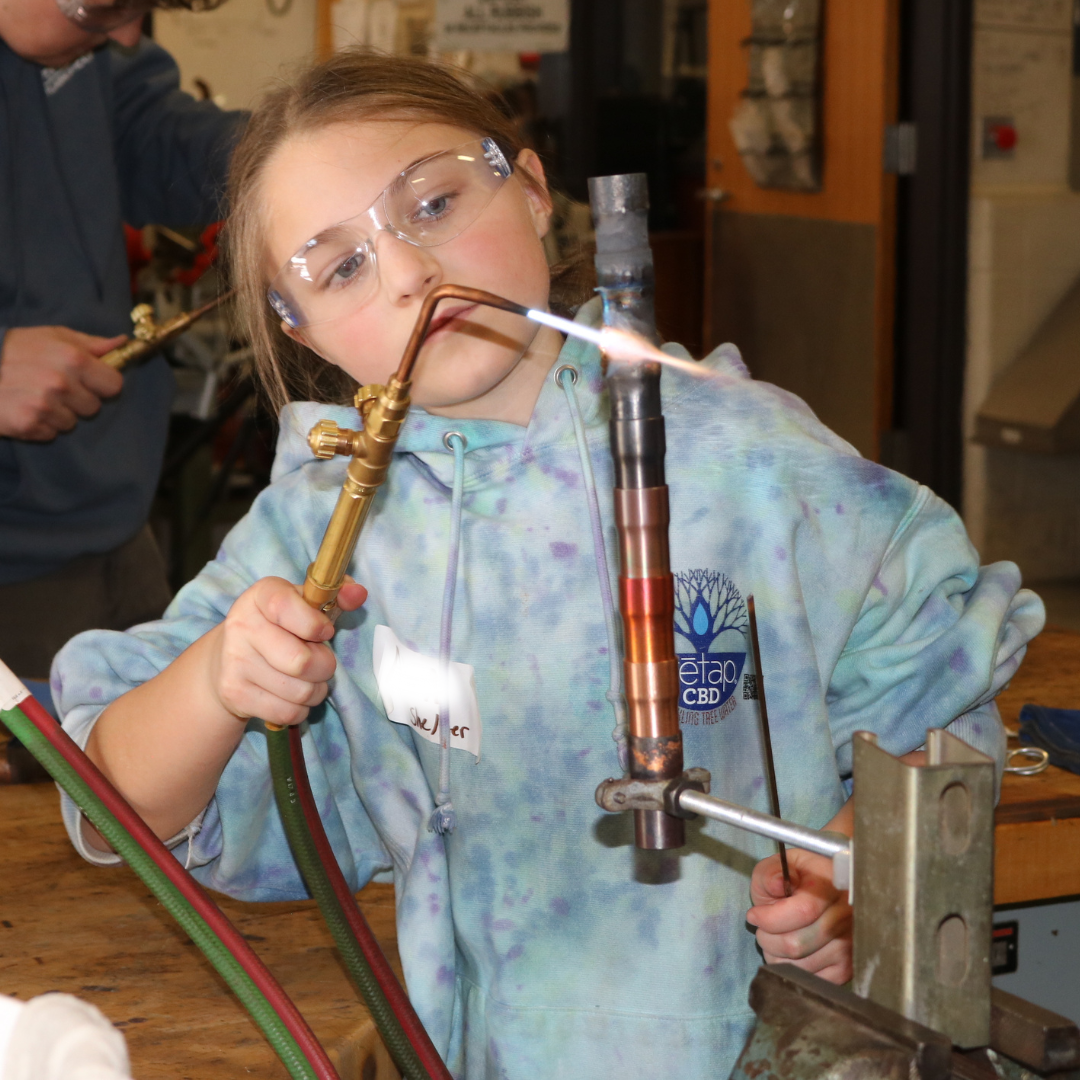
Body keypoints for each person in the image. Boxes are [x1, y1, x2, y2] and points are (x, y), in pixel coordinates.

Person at [52, 49, 1045, 1078]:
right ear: (300, 330)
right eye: (339, 265)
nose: (409, 273)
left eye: (432, 203)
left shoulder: (748, 460)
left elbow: (943, 697)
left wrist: (852, 879)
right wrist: (219, 679)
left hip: (762, 1049)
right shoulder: (320, 530)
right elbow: (115, 796)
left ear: (532, 193)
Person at [0, 0, 244, 679]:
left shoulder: (87, 48)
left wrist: (294, 150)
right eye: (104, 8)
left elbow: (148, 137)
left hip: (112, 531)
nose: (130, 34)